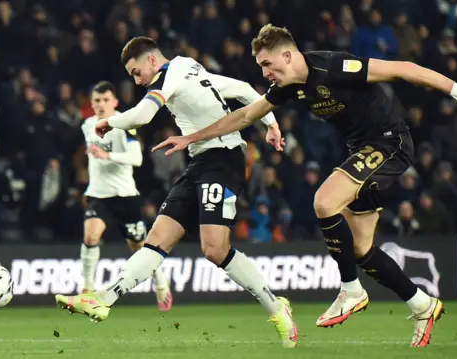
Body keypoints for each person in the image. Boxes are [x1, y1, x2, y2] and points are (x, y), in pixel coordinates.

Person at [152, 24, 457, 348]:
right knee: (362, 250)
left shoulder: (336, 67)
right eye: (261, 67)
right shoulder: (287, 87)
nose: (265, 73)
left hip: (388, 143)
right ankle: (422, 303)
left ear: (288, 55)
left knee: (324, 202)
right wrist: (192, 137)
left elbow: (403, 68)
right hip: (362, 150)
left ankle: (350, 290)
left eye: (267, 64)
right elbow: (245, 116)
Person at [55, 37, 298, 349]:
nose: (136, 79)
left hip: (223, 160)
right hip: (199, 161)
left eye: (135, 71)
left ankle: (276, 307)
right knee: (156, 240)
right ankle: (103, 299)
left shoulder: (169, 76)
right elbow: (242, 88)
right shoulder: (190, 67)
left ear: (152, 61)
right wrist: (271, 123)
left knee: (214, 249)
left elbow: (142, 116)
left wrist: (109, 122)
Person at [80, 81, 172, 312]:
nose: (101, 105)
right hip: (98, 195)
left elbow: (137, 158)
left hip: (125, 196)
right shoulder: (87, 125)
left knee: (139, 247)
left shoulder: (124, 124)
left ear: (115, 102)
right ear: (92, 104)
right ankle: (87, 288)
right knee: (91, 237)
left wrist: (106, 155)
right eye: (97, 101)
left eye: (105, 100)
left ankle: (160, 282)